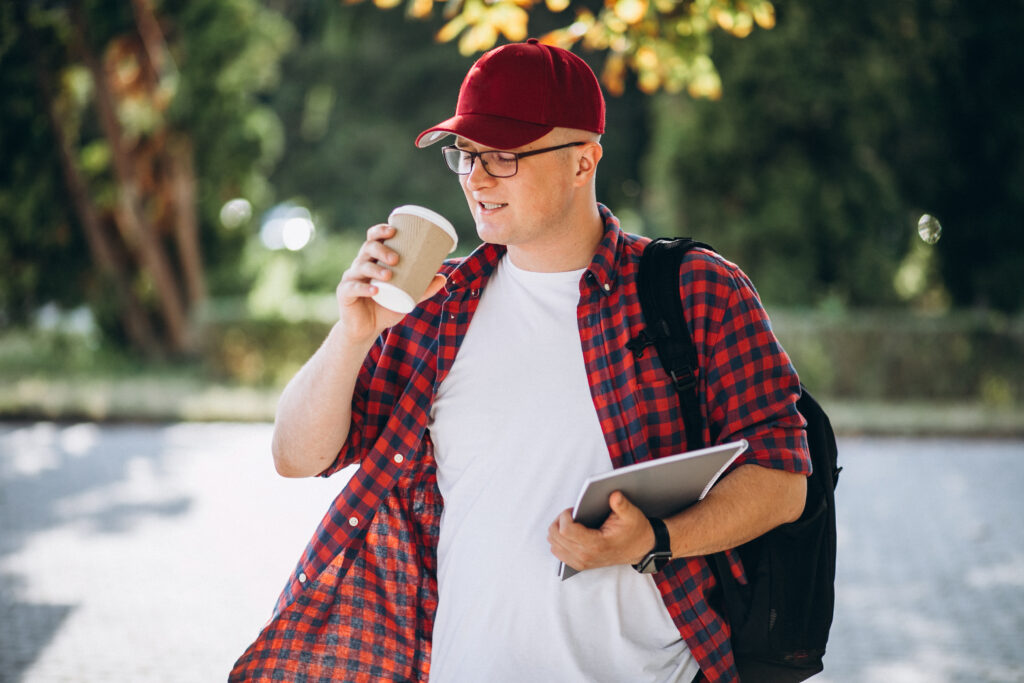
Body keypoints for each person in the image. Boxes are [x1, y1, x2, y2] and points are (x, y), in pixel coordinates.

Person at [230, 39, 810, 683]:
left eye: (503, 156)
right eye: (466, 155)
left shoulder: (693, 290)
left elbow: (783, 481)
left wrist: (654, 540)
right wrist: (352, 332)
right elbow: (295, 457)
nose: (476, 179)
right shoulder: (433, 306)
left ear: (584, 161)